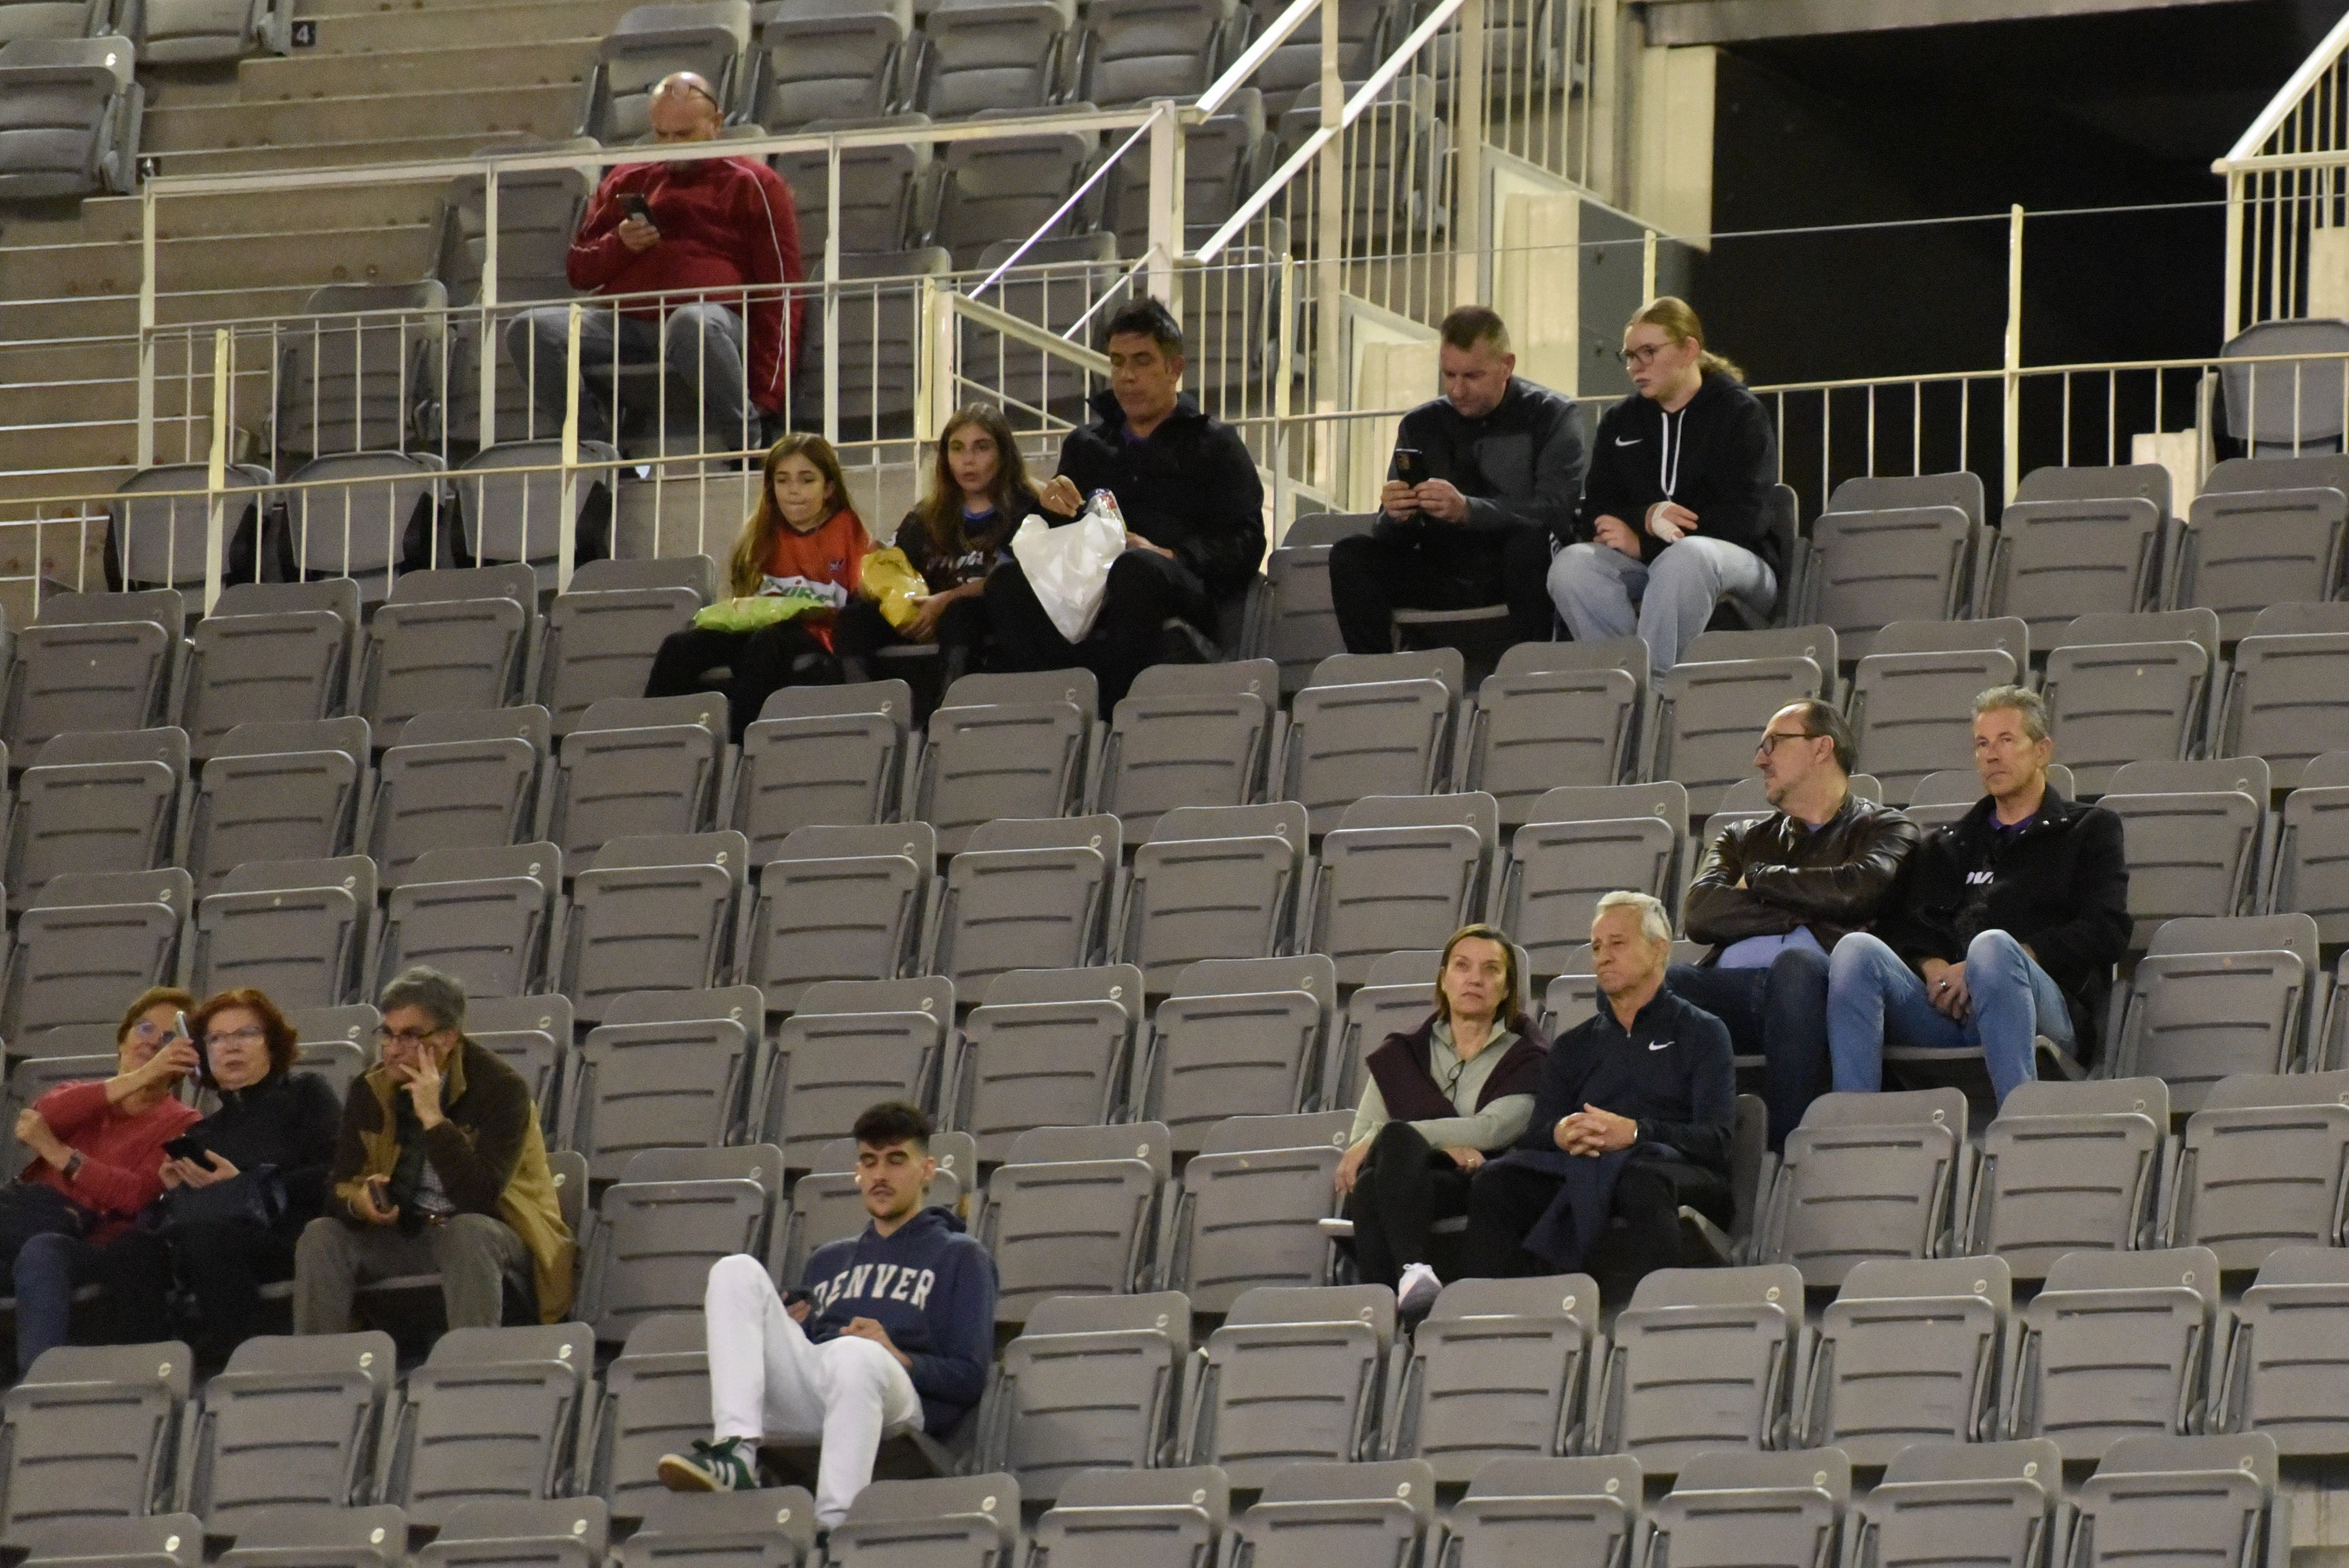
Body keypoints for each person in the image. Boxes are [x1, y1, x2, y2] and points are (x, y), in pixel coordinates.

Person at [657, 1102, 996, 1531]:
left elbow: (969, 1376)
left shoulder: (962, 1256)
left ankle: (835, 1527)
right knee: (735, 1270)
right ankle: (736, 1454)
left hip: (901, 1399)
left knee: (856, 1354)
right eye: (869, 1162)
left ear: (927, 1170)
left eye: (896, 1161)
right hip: (824, 1390)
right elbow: (816, 1358)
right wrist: (792, 1331)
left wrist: (896, 1353)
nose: (879, 1176)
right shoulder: (828, 1260)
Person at [1827, 685, 2130, 1104]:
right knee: (1855, 951)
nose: (1991, 755)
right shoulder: (1947, 845)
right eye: (1981, 744)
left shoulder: (2088, 830)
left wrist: (1996, 962)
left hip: (2044, 1008)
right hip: (1947, 1011)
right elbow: (1905, 928)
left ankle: (2016, 1117)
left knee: (1992, 948)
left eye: (2006, 741)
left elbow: (2106, 931)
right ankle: (1852, 1121)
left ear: (2042, 751)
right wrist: (1935, 969)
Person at [984, 297, 1266, 714]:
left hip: (1175, 584)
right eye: (1117, 362)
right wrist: (1047, 511)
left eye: (1141, 362)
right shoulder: (1086, 446)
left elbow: (1247, 540)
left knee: (1135, 568)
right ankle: (1060, 703)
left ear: (1174, 369)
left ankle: (1113, 709)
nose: (1126, 377)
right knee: (1006, 582)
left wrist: (1170, 554)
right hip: (1091, 588)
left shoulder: (1214, 443)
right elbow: (1056, 544)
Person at [507, 72, 803, 452]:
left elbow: (780, 289)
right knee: (531, 328)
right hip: (627, 323)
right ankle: (596, 451)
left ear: (715, 124)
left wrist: (769, 393)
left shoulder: (755, 182)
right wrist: (619, 244)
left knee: (691, 323)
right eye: (661, 135)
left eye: (683, 135)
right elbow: (579, 270)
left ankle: (746, 446)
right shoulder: (626, 178)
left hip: (713, 325)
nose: (671, 146)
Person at [1668, 701, 1919, 1148]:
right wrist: (1804, 909)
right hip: (1736, 993)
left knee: (1795, 966)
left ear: (1821, 747)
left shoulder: (1886, 829)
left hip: (1821, 993)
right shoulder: (1742, 837)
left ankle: (1790, 1151)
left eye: (1772, 744)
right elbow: (1701, 913)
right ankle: (1665, 1148)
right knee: (1655, 982)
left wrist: (1761, 880)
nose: (1758, 758)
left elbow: (1856, 890)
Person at [1460, 892, 1735, 1298]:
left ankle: (1654, 1317)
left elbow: (1716, 1140)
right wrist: (1561, 1133)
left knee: (1639, 1180)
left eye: (1617, 943)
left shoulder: (1702, 1032)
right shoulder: (1573, 1046)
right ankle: (1499, 1315)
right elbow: (1535, 1135)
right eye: (1595, 946)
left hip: (1668, 1168)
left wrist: (1637, 1134)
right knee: (1495, 1183)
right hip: (1586, 1165)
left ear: (1659, 949)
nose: (1603, 956)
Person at [294, 967, 574, 1335]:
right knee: (322, 1235)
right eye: (388, 1035)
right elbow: (339, 1185)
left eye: (410, 1036)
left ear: (447, 1038)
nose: (393, 1050)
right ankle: (317, 1373)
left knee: (467, 1231)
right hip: (407, 1234)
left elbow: (479, 1197)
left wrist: (433, 1118)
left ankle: (469, 1368)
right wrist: (358, 1202)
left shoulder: (501, 1089)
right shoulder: (371, 1089)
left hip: (495, 1236)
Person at [96, 989, 340, 1365]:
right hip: (209, 1241)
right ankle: (150, 1372)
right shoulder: (203, 1133)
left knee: (207, 1238)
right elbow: (188, 1211)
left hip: (289, 1235)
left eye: (246, 1034)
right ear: (204, 1054)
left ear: (271, 1044)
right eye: (217, 1039)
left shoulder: (308, 1094)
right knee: (130, 1249)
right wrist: (175, 1193)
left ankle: (241, 1363)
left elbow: (332, 1175)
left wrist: (242, 1183)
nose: (231, 1047)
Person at [1326, 306, 1584, 655]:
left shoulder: (1552, 416)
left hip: (1517, 568)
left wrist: (1468, 511)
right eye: (1449, 375)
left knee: (1529, 544)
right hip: (1442, 567)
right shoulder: (1421, 425)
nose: (1457, 390)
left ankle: (1534, 668)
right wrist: (1395, 515)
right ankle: (1375, 679)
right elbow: (1390, 535)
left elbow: (1555, 511)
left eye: (1472, 376)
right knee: (1350, 555)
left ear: (1507, 365)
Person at [1549, 297, 1780, 671]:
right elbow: (1596, 509)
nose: (1635, 368)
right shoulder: (1620, 421)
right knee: (1572, 566)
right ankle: (1624, 682)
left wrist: (1645, 544)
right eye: (1629, 356)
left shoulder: (1740, 413)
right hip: (1654, 565)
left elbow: (1746, 520)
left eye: (1649, 353)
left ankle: (1656, 687)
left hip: (1741, 565)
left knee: (1688, 557)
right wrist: (1646, 516)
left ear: (1689, 349)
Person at [1336, 924, 1547, 1314]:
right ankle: (1412, 1285)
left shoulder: (1528, 1057)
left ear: (1506, 988)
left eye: (1490, 970)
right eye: (1462, 966)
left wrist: (1399, 1136)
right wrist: (1437, 1145)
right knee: (1369, 1184)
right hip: (1411, 1181)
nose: (1474, 979)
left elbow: (1492, 1129)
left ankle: (1386, 1310)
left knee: (1392, 1145)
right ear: (1444, 979)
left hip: (1481, 1184)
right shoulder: (1402, 1053)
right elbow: (1359, 1141)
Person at [4, 987, 200, 1374]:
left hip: (94, 1245)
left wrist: (59, 1154)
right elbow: (41, 1117)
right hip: (19, 1226)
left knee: (44, 1250)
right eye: (145, 1028)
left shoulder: (185, 1123)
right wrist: (142, 1075)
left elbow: (135, 1195)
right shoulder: (79, 1096)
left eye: (168, 1038)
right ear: (123, 1038)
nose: (153, 1043)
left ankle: (39, 1387)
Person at [644, 432, 873, 740]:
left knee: (765, 643)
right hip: (760, 630)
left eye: (807, 480)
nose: (794, 491)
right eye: (783, 480)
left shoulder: (849, 529)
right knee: (680, 646)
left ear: (829, 487)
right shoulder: (760, 533)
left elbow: (858, 601)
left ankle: (740, 748)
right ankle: (657, 741)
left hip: (817, 634)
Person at [834, 405, 1040, 692]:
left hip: (986, 622)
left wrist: (943, 602)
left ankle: (947, 718)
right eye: (957, 449)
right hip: (924, 618)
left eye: (981, 448)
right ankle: (864, 715)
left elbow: (1013, 578)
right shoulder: (925, 516)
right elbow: (892, 570)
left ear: (1004, 454)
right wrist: (895, 601)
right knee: (851, 620)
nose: (968, 461)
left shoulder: (1028, 509)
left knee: (960, 613)